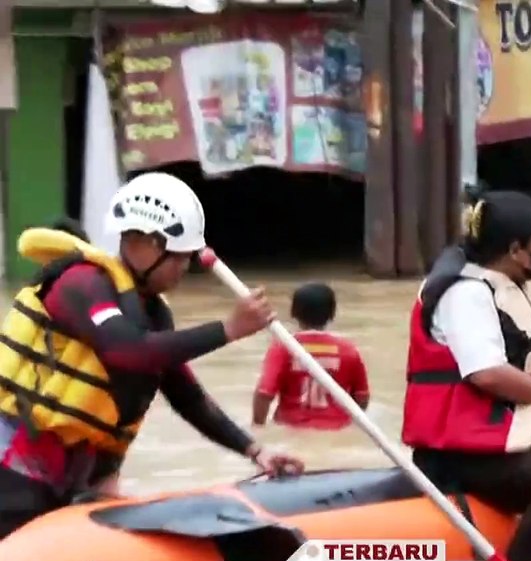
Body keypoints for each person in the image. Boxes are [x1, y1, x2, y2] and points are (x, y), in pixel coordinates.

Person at [0, 172, 305, 539]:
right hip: (14, 467)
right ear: (143, 243)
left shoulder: (153, 313)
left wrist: (255, 451)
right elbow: (125, 349)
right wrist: (228, 329)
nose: (184, 268)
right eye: (177, 258)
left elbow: (187, 396)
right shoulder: (81, 282)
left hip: (71, 475)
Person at [403, 190, 531, 561]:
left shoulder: (502, 279)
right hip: (459, 452)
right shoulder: (465, 294)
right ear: (514, 250)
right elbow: (487, 374)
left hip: (511, 428)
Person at [253, 282, 369, 430]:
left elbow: (264, 393)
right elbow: (362, 397)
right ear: (332, 314)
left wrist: (257, 427)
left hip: (291, 429)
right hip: (336, 430)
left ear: (293, 313)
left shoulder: (282, 348)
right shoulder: (349, 350)